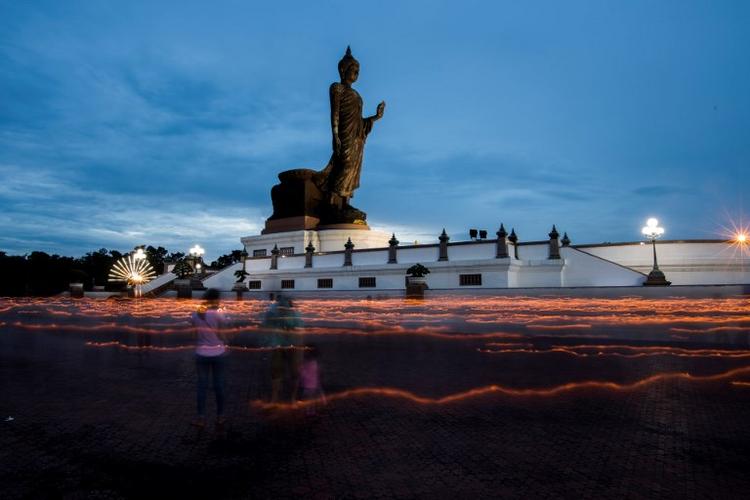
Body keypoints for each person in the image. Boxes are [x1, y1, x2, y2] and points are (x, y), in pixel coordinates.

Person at [315, 46, 385, 207]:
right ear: (343, 70)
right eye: (354, 70)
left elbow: (360, 122)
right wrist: (335, 135)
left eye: (358, 71)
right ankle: (330, 201)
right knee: (344, 164)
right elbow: (335, 113)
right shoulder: (337, 88)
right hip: (344, 134)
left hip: (356, 138)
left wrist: (376, 117)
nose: (357, 73)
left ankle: (345, 204)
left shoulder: (357, 95)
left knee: (353, 169)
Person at [191, 288, 228, 430]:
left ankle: (201, 418)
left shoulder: (195, 314)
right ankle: (220, 416)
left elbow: (193, 335)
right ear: (216, 299)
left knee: (202, 387)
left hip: (201, 353)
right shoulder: (218, 314)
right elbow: (222, 333)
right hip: (218, 353)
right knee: (219, 386)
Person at [262, 294, 303, 403]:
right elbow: (265, 325)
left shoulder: (292, 314)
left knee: (291, 373)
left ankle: (284, 398)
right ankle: (284, 398)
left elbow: (265, 325)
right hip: (281, 345)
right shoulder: (275, 312)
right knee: (279, 372)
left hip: (287, 345)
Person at [298, 345, 326, 415]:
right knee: (311, 399)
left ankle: (308, 411)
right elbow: (318, 373)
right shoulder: (315, 362)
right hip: (313, 384)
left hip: (308, 385)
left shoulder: (306, 363)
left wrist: (302, 374)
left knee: (308, 398)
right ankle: (311, 411)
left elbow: (302, 372)